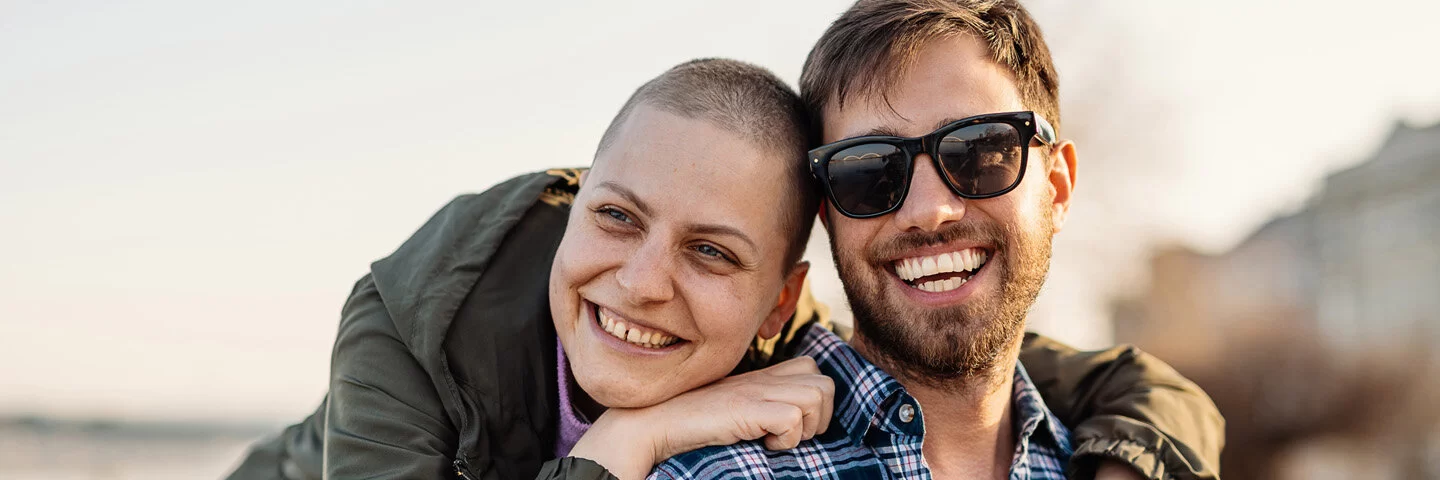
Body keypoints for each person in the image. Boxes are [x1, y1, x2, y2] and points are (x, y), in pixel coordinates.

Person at [227, 58, 1220, 480]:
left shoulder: (804, 347)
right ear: (580, 209)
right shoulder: (414, 325)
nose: (644, 280)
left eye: (711, 252)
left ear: (781, 300)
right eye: (618, 219)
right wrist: (635, 442)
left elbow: (1147, 389)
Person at [653, 1, 1224, 479]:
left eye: (981, 151)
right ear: (827, 213)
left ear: (1057, 188)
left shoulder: (1110, 459)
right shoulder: (710, 471)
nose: (929, 211)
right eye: (867, 171)